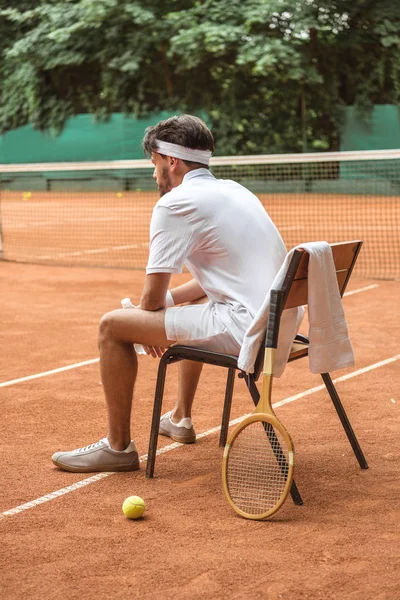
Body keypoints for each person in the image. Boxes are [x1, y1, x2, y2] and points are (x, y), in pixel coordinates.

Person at [52, 114, 290, 473]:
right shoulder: (234, 190)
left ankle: (118, 448)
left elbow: (150, 300)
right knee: (190, 304)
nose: (154, 174)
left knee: (112, 326)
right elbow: (213, 284)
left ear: (171, 161)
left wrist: (146, 321)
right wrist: (160, 317)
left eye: (154, 164)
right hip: (281, 322)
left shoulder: (175, 203)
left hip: (248, 331)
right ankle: (180, 419)